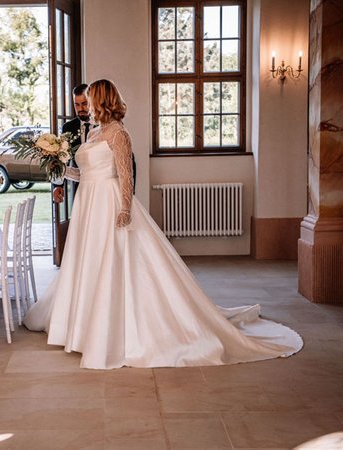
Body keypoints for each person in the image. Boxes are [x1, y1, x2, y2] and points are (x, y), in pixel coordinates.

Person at [24, 79, 302, 370]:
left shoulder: (119, 133)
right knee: (88, 261)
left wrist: (126, 209)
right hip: (87, 205)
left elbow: (125, 174)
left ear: (101, 100)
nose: (86, 104)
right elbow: (86, 175)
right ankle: (81, 326)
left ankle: (114, 331)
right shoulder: (93, 132)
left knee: (114, 262)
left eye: (90, 99)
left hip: (109, 204)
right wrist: (59, 167)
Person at [53, 84, 90, 204]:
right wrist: (58, 185)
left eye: (84, 103)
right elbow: (62, 158)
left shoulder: (104, 126)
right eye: (77, 104)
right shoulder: (68, 128)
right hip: (79, 187)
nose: (81, 109)